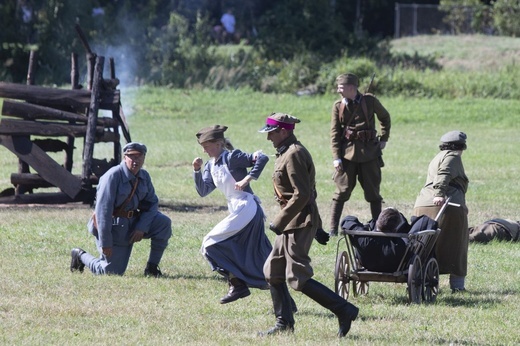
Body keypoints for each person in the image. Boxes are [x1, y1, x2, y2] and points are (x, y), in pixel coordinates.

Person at [258, 113, 359, 338]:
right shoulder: (286, 151)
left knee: (297, 277)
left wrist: (280, 221)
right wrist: (320, 227)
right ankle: (284, 322)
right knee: (272, 272)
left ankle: (345, 310)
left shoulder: (294, 153)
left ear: (284, 131)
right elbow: (309, 193)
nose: (269, 138)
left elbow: (303, 194)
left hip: (298, 222)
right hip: (292, 221)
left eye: (272, 133)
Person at [192, 125, 273, 304]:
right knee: (260, 256)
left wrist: (247, 178)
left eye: (206, 146)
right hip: (236, 210)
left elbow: (262, 158)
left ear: (219, 144)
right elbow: (203, 191)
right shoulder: (210, 165)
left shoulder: (232, 157)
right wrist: (197, 171)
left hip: (247, 207)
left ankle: (238, 284)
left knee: (209, 243)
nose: (204, 150)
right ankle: (241, 284)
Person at [70, 142, 172, 277]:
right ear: (125, 157)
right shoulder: (112, 177)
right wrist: (105, 242)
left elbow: (152, 204)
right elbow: (103, 212)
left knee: (163, 223)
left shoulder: (144, 176)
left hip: (134, 222)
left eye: (139, 157)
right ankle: (80, 255)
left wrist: (142, 226)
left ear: (144, 158)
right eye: (132, 157)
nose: (136, 161)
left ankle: (152, 268)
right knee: (110, 272)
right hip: (114, 227)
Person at [329, 73, 391, 236]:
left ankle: (379, 228)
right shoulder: (338, 106)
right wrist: (336, 158)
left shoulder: (370, 101)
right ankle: (333, 229)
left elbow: (385, 117)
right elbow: (335, 133)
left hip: (370, 154)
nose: (338, 90)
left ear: (351, 88)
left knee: (373, 193)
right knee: (341, 192)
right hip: (347, 155)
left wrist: (384, 138)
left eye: (341, 87)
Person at [413, 130, 469, 293]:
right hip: (445, 205)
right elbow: (444, 174)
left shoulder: (437, 157)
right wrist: (439, 194)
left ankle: (421, 277)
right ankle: (457, 286)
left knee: (425, 244)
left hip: (422, 203)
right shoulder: (452, 156)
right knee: (457, 245)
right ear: (461, 146)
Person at [341, 208, 411, 272]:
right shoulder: (401, 245)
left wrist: (363, 228)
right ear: (396, 229)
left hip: (367, 265)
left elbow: (347, 220)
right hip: (393, 268)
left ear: (377, 223)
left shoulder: (363, 239)